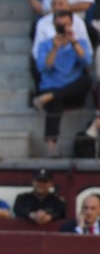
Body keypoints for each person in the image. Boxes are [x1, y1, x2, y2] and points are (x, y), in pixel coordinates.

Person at [33, 11, 92, 158]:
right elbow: (43, 68)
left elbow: (87, 62)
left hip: (72, 91)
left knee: (87, 80)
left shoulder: (80, 42)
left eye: (66, 24)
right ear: (54, 25)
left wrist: (74, 42)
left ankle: (51, 96)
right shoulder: (45, 45)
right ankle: (51, 146)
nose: (64, 28)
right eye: (60, 25)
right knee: (56, 99)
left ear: (71, 24)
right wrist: (54, 48)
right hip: (52, 88)